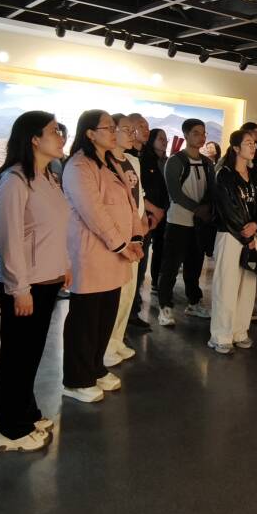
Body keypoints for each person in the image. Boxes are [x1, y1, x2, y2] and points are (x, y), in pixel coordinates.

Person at [0, 111, 70, 452]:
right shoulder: (14, 180)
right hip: (24, 285)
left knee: (31, 354)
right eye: (55, 131)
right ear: (34, 139)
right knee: (16, 357)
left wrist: (64, 265)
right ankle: (9, 430)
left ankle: (26, 413)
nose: (61, 136)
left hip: (47, 280)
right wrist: (19, 288)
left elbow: (55, 229)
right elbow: (9, 240)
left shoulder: (48, 177)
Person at [61, 110, 142, 403]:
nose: (113, 131)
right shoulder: (79, 166)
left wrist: (136, 236)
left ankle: (95, 368)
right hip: (91, 254)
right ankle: (76, 380)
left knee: (105, 316)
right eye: (108, 127)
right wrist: (121, 244)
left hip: (115, 254)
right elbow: (93, 211)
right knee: (85, 320)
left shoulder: (110, 163)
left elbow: (130, 204)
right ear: (90, 133)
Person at [209, 129, 257, 354]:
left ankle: (239, 331)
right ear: (236, 148)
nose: (253, 147)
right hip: (230, 235)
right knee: (226, 285)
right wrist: (246, 233)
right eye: (248, 143)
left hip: (251, 235)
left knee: (248, 285)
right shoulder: (224, 175)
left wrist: (256, 226)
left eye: (254, 144)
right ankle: (221, 335)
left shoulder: (256, 176)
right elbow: (227, 209)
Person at [158, 118, 214, 326]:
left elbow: (212, 189)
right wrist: (198, 209)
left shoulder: (208, 163)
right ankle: (165, 306)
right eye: (196, 133)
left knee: (194, 266)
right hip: (178, 222)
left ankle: (194, 302)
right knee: (170, 267)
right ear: (186, 135)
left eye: (203, 133)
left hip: (199, 224)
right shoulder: (175, 161)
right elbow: (175, 193)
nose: (201, 137)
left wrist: (207, 209)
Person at [102, 113, 146, 367]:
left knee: (129, 291)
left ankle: (117, 340)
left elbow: (138, 196)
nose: (132, 135)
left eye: (133, 130)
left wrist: (141, 222)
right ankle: (106, 345)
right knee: (114, 294)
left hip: (135, 235)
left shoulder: (133, 161)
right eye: (126, 130)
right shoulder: (104, 163)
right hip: (117, 238)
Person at [124, 113, 162, 331]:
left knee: (140, 270)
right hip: (136, 222)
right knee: (131, 272)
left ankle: (133, 311)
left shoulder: (146, 156)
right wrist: (152, 211)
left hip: (149, 221)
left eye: (147, 126)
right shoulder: (125, 157)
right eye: (140, 126)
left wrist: (156, 213)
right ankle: (125, 317)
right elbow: (134, 193)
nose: (145, 130)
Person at [138, 127, 170, 318]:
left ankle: (154, 285)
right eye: (160, 138)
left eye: (165, 139)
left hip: (161, 214)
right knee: (141, 259)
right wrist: (154, 212)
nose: (164, 141)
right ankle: (134, 305)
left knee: (160, 250)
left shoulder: (165, 161)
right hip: (148, 215)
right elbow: (142, 191)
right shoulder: (144, 160)